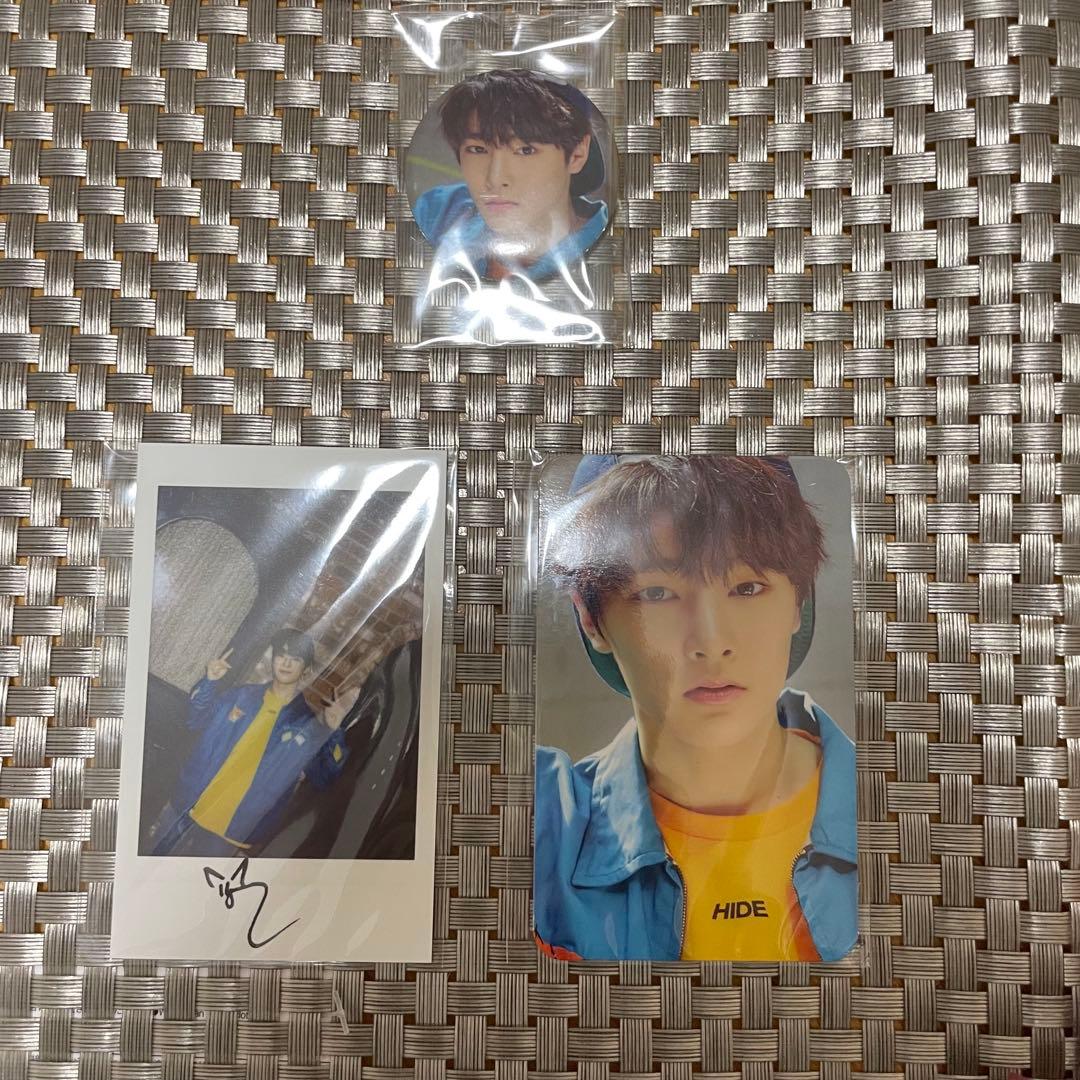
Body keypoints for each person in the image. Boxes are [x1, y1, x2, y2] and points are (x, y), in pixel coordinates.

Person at [533, 456, 857, 962]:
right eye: (657, 593)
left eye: (747, 588)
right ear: (591, 619)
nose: (711, 641)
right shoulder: (538, 820)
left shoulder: (909, 800)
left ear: (799, 601)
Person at [146, 628, 359, 858]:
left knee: (198, 878)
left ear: (306, 669)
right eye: (281, 655)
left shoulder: (306, 726)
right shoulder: (241, 696)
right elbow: (195, 719)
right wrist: (209, 682)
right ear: (273, 660)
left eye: (295, 659)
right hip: (188, 803)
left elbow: (324, 777)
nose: (286, 663)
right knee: (152, 861)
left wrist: (333, 732)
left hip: (233, 828)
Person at [412, 69, 609, 284]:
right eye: (477, 149)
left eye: (525, 150)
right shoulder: (438, 212)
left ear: (577, 154)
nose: (495, 180)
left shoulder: (609, 249)